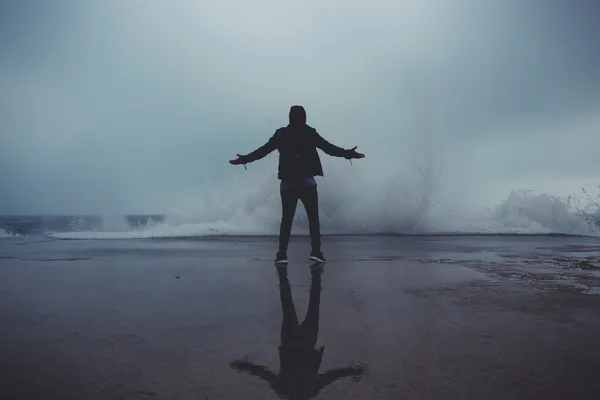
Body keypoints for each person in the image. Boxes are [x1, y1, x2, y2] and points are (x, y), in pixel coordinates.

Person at [229, 105, 365, 265]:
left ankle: (281, 255)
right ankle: (316, 252)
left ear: (290, 117)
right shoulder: (309, 133)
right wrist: (348, 153)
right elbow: (329, 148)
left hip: (287, 184)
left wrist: (245, 159)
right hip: (307, 183)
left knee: (286, 220)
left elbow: (263, 151)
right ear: (304, 117)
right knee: (313, 219)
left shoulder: (281, 134)